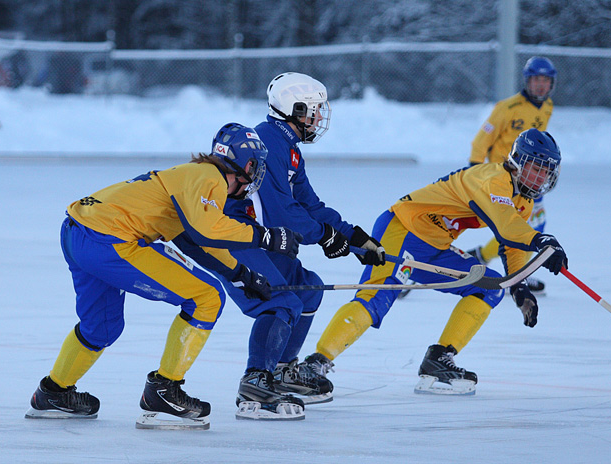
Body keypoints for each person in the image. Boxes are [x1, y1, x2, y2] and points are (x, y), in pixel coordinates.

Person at [25, 123, 303, 430]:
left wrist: (242, 274)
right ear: (242, 163)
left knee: (101, 328)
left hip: (77, 232)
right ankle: (164, 391)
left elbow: (192, 240)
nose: (256, 172)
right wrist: (267, 237)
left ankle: (52, 393)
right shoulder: (211, 177)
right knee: (207, 297)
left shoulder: (193, 176)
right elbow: (205, 230)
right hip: (109, 240)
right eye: (255, 164)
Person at [303, 128, 567, 396]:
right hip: (403, 228)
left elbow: (512, 244)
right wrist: (542, 240)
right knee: (377, 297)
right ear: (518, 161)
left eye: (547, 171)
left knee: (489, 287)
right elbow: (506, 226)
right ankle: (316, 362)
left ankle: (438, 358)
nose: (542, 177)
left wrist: (519, 287)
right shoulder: (494, 178)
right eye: (537, 168)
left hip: (435, 245)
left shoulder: (524, 200)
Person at [199, 73, 385, 420]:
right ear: (294, 109)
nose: (317, 119)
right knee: (280, 300)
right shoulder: (267, 142)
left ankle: (283, 369)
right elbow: (280, 214)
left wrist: (355, 237)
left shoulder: (289, 149)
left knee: (310, 289)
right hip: (235, 238)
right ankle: (256, 380)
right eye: (313, 111)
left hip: (258, 239)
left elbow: (310, 205)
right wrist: (327, 236)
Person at [466, 56, 557, 295]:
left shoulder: (547, 107)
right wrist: (474, 171)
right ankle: (517, 275)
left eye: (545, 81)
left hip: (530, 180)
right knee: (523, 229)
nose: (541, 85)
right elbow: (481, 141)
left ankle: (484, 257)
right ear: (527, 81)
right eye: (536, 79)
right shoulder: (506, 108)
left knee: (534, 225)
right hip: (504, 180)